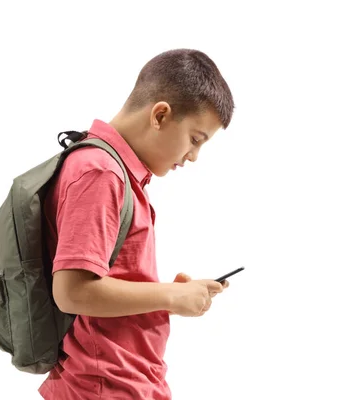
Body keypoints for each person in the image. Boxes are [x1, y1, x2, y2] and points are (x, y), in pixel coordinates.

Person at [38, 48, 235, 400]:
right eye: (195, 139)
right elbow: (71, 292)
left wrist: (168, 295)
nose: (193, 157)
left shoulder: (115, 174)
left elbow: (106, 280)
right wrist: (171, 296)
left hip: (124, 381)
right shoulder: (100, 173)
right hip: (104, 386)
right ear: (160, 114)